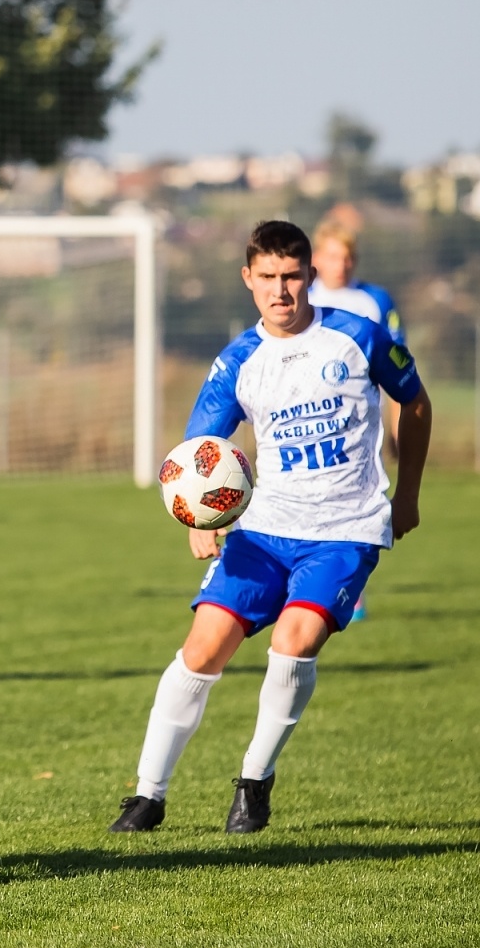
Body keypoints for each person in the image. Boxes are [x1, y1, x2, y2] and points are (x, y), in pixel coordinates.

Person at [110, 220, 430, 835]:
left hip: (344, 526)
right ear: (247, 280)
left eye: (291, 276)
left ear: (309, 275)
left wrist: (409, 493)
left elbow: (415, 402)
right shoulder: (237, 362)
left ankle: (253, 783)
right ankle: (147, 796)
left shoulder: (359, 336)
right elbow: (198, 452)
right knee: (203, 648)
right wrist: (196, 521)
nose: (280, 290)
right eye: (267, 278)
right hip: (263, 528)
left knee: (296, 639)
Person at [309, 219, 407, 622]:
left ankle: (351, 590)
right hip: (312, 423)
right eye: (333, 256)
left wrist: (399, 431)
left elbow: (402, 373)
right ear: (316, 259)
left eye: (348, 257)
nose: (341, 264)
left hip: (363, 424)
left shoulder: (375, 301)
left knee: (358, 500)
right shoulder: (301, 297)